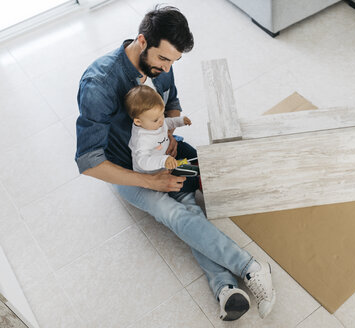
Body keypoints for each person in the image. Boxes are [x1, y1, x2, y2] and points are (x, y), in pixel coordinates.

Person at [74, 5, 275, 321]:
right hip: (131, 171)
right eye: (164, 59)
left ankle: (225, 290)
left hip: (169, 154)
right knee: (175, 213)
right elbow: (89, 162)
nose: (168, 68)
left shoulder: (161, 66)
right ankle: (250, 268)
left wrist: (169, 135)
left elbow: (172, 104)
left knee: (196, 204)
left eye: (174, 61)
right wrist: (151, 182)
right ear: (142, 41)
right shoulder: (99, 84)